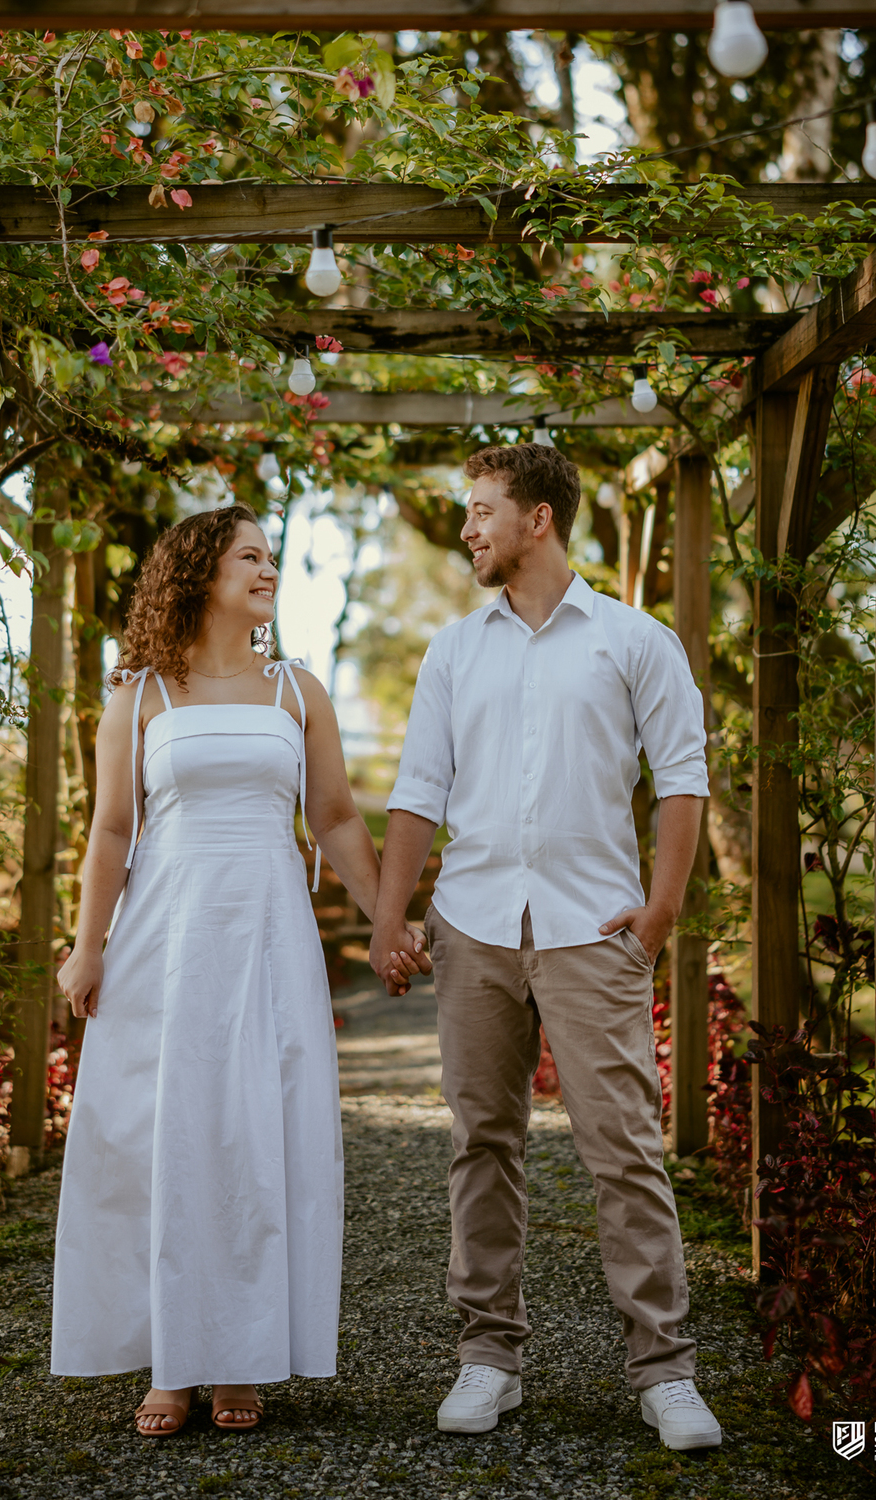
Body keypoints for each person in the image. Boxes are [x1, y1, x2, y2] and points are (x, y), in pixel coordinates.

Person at [371, 444, 722, 1452]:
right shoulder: (453, 650)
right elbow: (417, 794)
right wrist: (391, 920)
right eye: (466, 511)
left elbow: (682, 780)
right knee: (483, 1143)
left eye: (482, 511)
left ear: (538, 520)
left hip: (590, 930)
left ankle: (664, 1372)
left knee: (624, 1151)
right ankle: (490, 1359)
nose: (467, 528)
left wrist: (656, 916)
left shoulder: (635, 642)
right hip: (474, 925)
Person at [51, 503, 422, 1437]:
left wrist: (387, 920)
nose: (268, 570)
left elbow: (335, 817)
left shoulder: (298, 690)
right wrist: (87, 943)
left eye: (272, 558)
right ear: (199, 574)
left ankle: (242, 1357)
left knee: (259, 1136)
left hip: (267, 941)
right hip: (164, 945)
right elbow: (110, 831)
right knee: (165, 1139)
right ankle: (171, 1364)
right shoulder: (140, 695)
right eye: (250, 557)